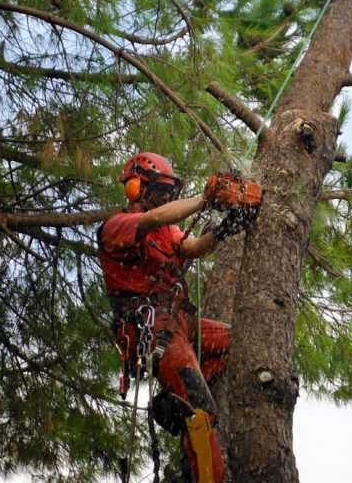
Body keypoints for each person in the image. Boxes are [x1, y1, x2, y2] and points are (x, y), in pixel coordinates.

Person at [97, 152, 257, 483]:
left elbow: (191, 248)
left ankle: (174, 399)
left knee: (238, 343)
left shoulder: (167, 230)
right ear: (135, 188)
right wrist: (204, 199)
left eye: (168, 193)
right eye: (159, 190)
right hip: (154, 330)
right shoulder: (117, 225)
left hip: (181, 324)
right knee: (201, 411)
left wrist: (224, 230)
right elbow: (152, 219)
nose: (164, 198)